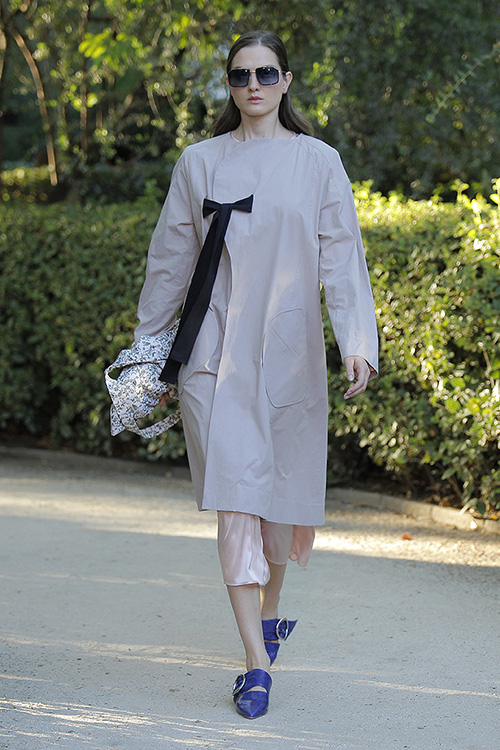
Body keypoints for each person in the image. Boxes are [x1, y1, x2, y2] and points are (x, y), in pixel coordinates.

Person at [134, 29, 378, 719]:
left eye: (265, 74)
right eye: (240, 76)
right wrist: (150, 348)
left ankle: (269, 614)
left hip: (290, 355)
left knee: (278, 507)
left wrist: (356, 340)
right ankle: (256, 662)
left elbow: (342, 258)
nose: (253, 87)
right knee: (236, 497)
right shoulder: (199, 163)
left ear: (287, 81)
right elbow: (169, 262)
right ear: (229, 85)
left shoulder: (319, 163)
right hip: (212, 357)